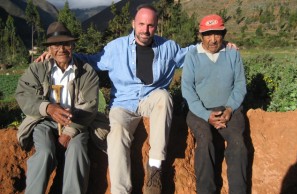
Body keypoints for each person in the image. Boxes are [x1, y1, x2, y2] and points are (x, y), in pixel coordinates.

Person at [36, 5, 237, 194]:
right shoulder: (116, 48)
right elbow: (91, 60)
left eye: (150, 25)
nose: (145, 30)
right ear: (134, 24)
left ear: (156, 26)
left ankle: (155, 168)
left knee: (163, 96)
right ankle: (121, 190)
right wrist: (57, 52)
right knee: (116, 136)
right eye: (141, 24)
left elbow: (191, 53)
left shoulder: (168, 47)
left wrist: (219, 44)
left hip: (151, 99)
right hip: (122, 104)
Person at [15, 22, 100, 194]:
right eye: (55, 44)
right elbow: (24, 93)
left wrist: (69, 133)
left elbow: (90, 106)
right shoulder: (37, 69)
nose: (61, 49)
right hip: (44, 122)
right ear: (49, 48)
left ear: (73, 45)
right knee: (45, 152)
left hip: (76, 122)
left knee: (77, 151)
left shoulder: (86, 72)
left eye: (66, 44)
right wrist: (48, 108)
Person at [181, 14, 248, 194]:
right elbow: (187, 90)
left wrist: (230, 108)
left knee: (238, 143)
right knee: (205, 141)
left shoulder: (232, 54)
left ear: (224, 34)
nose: (213, 39)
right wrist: (205, 115)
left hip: (229, 109)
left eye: (217, 34)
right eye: (208, 34)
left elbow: (240, 85)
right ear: (201, 35)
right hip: (199, 111)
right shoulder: (192, 56)